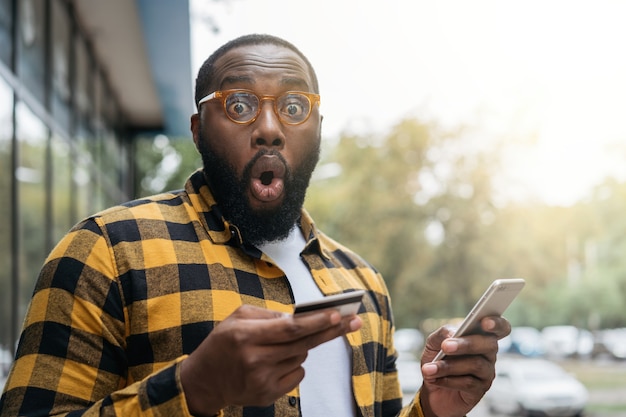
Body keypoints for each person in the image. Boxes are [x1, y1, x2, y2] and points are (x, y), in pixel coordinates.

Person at [0, 34, 509, 417]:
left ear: (317, 130)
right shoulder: (107, 251)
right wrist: (192, 390)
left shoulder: (364, 282)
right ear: (199, 131)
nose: (269, 129)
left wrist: (435, 407)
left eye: (293, 107)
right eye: (239, 105)